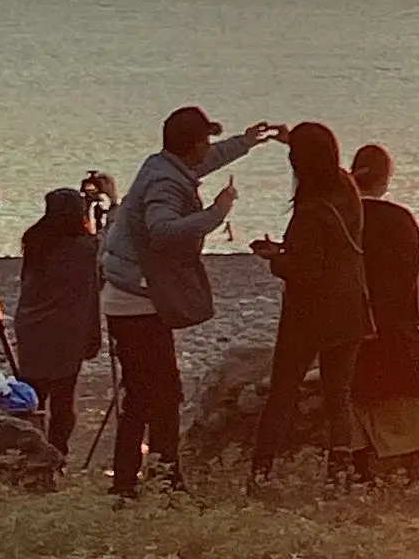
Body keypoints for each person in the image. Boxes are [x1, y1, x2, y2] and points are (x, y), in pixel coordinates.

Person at [99, 107, 286, 497]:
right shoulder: (166, 183)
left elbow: (204, 163)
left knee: (142, 394)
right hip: (137, 302)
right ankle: (163, 484)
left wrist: (246, 142)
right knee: (163, 395)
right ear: (192, 144)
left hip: (130, 295)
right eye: (205, 140)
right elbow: (164, 231)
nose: (209, 146)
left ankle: (130, 482)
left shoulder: (164, 165)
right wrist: (218, 211)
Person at [249, 122, 374, 486]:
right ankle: (339, 471)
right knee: (339, 397)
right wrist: (292, 138)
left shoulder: (310, 211)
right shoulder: (346, 188)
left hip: (309, 315)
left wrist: (274, 257)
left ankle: (261, 470)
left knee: (282, 394)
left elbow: (305, 271)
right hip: (350, 305)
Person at [346, 145, 419, 483]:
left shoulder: (340, 216)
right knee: (409, 396)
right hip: (396, 325)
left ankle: (360, 469)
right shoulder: (400, 219)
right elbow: (409, 276)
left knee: (352, 394)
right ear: (386, 180)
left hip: (349, 326)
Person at [14, 186, 104, 458]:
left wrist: (85, 207)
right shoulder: (83, 249)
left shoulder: (35, 240)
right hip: (66, 335)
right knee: (63, 402)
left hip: (32, 329)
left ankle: (31, 453)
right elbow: (106, 244)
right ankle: (57, 454)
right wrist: (109, 201)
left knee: (33, 397)